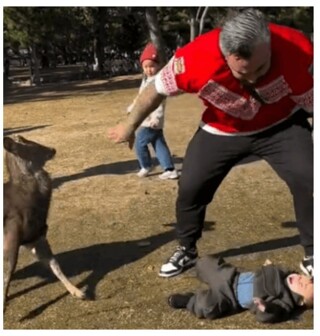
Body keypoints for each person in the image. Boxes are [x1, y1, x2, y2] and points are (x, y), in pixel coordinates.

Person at [107, 9, 313, 278]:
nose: (252, 78)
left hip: (281, 124)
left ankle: (313, 251)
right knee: (191, 186)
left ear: (269, 43)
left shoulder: (299, 48)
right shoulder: (194, 59)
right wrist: (129, 124)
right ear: (225, 54)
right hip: (222, 129)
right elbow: (155, 88)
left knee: (310, 179)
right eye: (243, 72)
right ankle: (187, 249)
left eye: (261, 68)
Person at [168, 256, 313, 323]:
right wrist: (269, 265)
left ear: (300, 301)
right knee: (206, 263)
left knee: (208, 306)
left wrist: (265, 308)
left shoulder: (283, 302)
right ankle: (196, 263)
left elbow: (273, 315)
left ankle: (189, 300)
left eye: (304, 286)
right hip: (233, 276)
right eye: (305, 278)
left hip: (229, 297)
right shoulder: (282, 273)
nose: (301, 280)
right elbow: (274, 268)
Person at [128, 42, 179, 179]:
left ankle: (145, 165)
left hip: (151, 121)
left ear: (158, 66)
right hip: (146, 119)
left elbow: (160, 103)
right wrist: (132, 108)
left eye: (152, 66)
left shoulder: (158, 81)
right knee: (158, 144)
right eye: (146, 67)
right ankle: (169, 169)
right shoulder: (145, 80)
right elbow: (141, 98)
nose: (149, 69)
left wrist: (156, 118)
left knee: (140, 143)